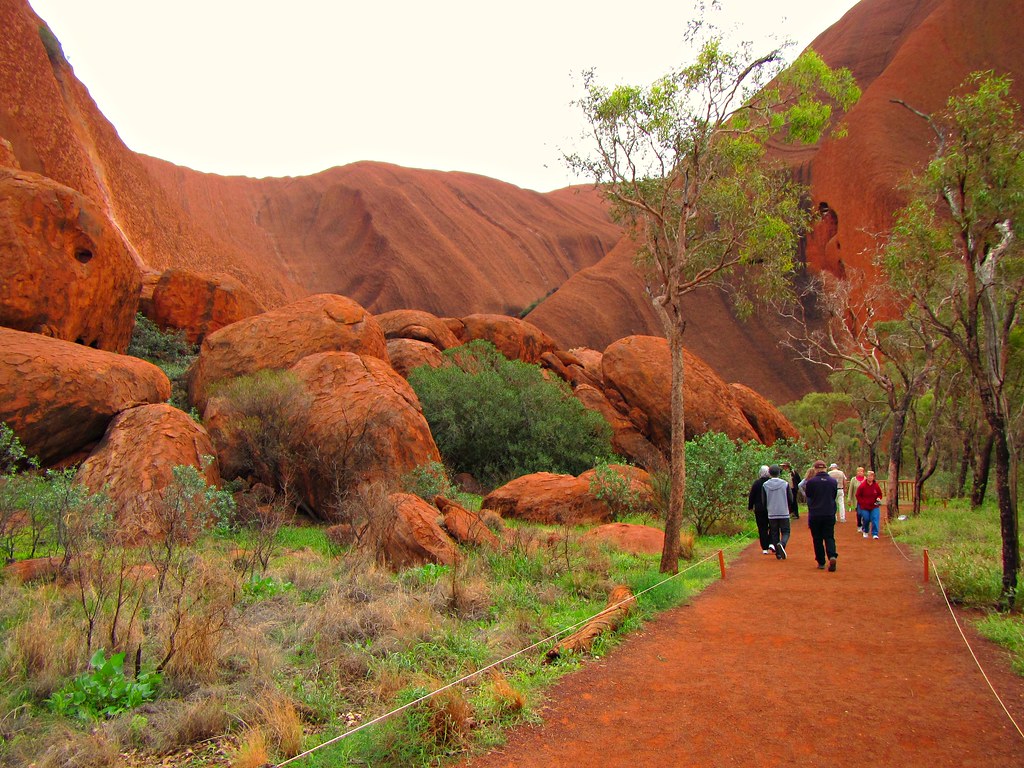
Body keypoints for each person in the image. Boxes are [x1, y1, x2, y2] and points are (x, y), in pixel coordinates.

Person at [802, 460, 839, 571]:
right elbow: (834, 495)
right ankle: (832, 555)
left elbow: (808, 496)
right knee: (829, 537)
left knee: (817, 538)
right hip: (829, 513)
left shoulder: (811, 482)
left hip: (815, 514)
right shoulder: (833, 481)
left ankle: (821, 562)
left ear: (815, 469)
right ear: (825, 468)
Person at [762, 465, 793, 560]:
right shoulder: (785, 484)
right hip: (783, 511)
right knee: (786, 531)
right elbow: (790, 499)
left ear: (769, 473)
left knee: (774, 532)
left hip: (772, 513)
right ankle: (782, 544)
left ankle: (778, 554)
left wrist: (768, 508)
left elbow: (764, 501)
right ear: (779, 473)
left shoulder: (765, 485)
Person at [747, 465, 772, 554]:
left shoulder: (756, 483)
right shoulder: (771, 482)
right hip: (770, 508)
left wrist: (750, 506)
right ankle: (771, 542)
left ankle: (764, 548)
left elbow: (752, 496)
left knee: (762, 528)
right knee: (772, 526)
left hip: (759, 509)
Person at [855, 469, 884, 539]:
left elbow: (880, 494)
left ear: (873, 477)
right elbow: (857, 495)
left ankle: (875, 533)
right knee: (866, 518)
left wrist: (879, 498)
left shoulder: (876, 485)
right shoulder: (862, 486)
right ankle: (865, 530)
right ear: (867, 477)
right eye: (869, 476)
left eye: (872, 476)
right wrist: (862, 503)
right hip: (864, 506)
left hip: (874, 506)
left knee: (875, 518)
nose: (870, 478)